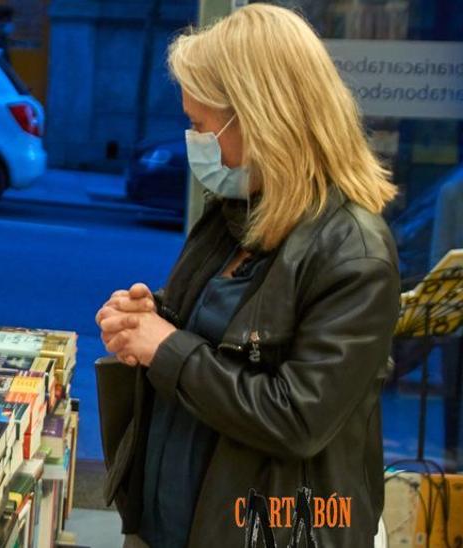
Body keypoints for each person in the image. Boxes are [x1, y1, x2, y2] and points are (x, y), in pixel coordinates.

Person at [95, 5, 400, 547]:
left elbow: (297, 419)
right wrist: (149, 318)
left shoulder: (354, 252)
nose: (195, 142)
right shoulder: (236, 211)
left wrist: (164, 347)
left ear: (262, 118)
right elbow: (220, 330)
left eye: (200, 125)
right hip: (177, 523)